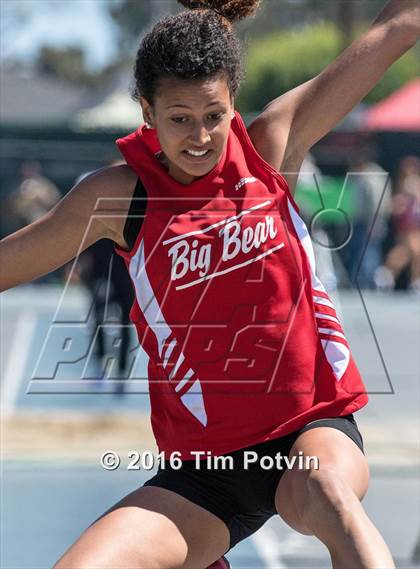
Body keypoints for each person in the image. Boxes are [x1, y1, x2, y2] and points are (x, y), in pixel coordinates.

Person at [0, 1, 418, 567]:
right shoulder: (118, 199)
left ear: (232, 105)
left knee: (328, 496)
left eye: (213, 116)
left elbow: (398, 25)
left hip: (308, 432)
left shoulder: (272, 147)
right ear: (146, 111)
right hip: (205, 472)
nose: (200, 137)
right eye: (179, 118)